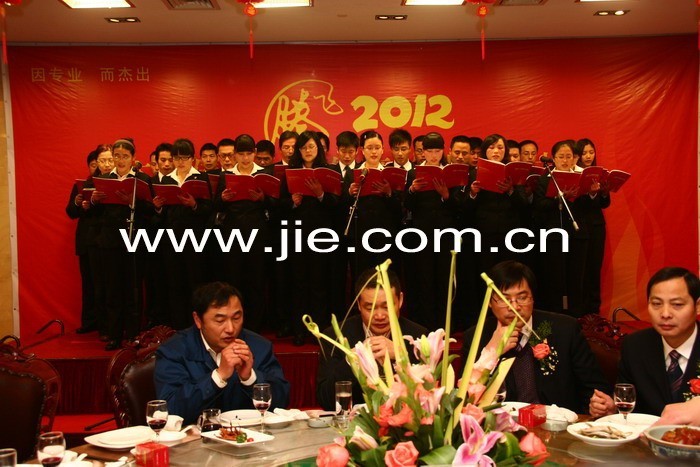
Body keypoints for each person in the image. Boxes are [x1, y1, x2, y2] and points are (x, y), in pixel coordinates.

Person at [463, 260, 608, 414]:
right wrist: (492, 350)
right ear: (490, 303)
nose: (514, 307)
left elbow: (596, 390)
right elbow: (465, 401)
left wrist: (599, 405)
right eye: (504, 299)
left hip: (557, 423)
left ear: (532, 298)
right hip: (502, 425)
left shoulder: (564, 329)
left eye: (522, 297)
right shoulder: (477, 337)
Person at [155, 282, 290, 425]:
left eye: (236, 318)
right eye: (220, 320)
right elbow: (170, 410)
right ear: (198, 320)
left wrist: (250, 378)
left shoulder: (259, 346)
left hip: (250, 434)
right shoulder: (174, 351)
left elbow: (281, 403)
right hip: (196, 436)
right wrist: (218, 377)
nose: (230, 329)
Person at [589, 267, 700, 417]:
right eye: (656, 304)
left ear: (697, 306)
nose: (665, 314)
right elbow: (629, 402)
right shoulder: (635, 346)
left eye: (677, 304)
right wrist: (612, 409)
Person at [316, 268, 427, 411]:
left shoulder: (418, 336)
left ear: (400, 300)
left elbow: (429, 396)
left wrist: (401, 356)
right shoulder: (335, 337)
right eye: (370, 308)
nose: (379, 316)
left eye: (387, 307)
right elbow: (325, 400)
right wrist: (352, 362)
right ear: (358, 304)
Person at [68, 146, 100, 334]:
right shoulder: (81, 185)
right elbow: (70, 212)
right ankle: (89, 321)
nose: (97, 167)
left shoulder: (108, 184)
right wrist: (77, 203)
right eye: (93, 165)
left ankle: (105, 323)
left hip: (103, 241)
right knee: (88, 284)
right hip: (85, 241)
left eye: (100, 163)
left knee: (104, 284)